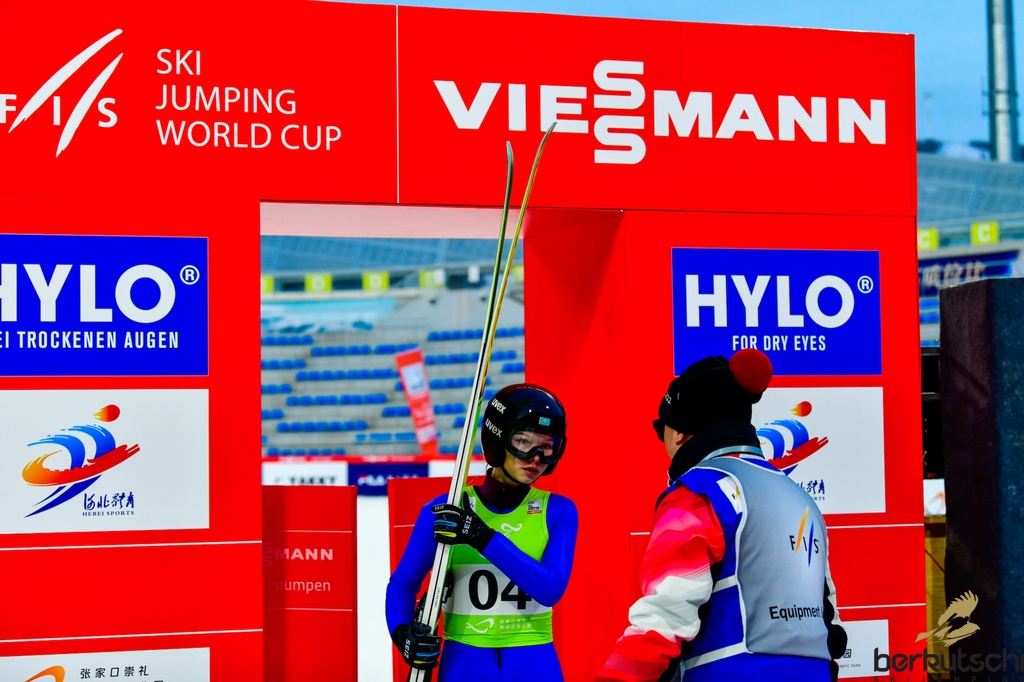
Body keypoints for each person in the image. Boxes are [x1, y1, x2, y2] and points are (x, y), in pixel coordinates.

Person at [597, 348, 847, 682]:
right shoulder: (800, 498)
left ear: (679, 431)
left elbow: (662, 625)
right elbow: (830, 626)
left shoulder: (699, 492)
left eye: (662, 429)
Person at [387, 383, 579, 681]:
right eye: (524, 441)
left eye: (547, 446)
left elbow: (550, 589)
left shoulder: (558, 510)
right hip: (464, 662)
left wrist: (481, 536)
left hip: (534, 662)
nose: (536, 457)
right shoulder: (447, 510)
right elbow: (403, 583)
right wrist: (402, 634)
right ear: (497, 439)